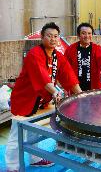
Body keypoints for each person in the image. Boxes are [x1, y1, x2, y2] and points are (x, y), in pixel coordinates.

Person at [5, 22, 82, 171]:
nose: (53, 39)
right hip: (24, 99)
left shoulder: (58, 56)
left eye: (55, 36)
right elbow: (42, 77)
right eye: (49, 36)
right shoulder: (35, 54)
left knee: (34, 128)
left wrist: (82, 97)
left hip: (41, 101)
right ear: (42, 37)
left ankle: (35, 159)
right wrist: (55, 92)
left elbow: (70, 77)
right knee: (17, 133)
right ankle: (12, 167)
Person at [64, 22, 101, 91]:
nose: (87, 36)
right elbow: (65, 69)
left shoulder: (97, 49)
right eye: (83, 33)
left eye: (89, 33)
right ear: (78, 35)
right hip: (75, 89)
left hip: (94, 89)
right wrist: (66, 87)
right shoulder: (70, 49)